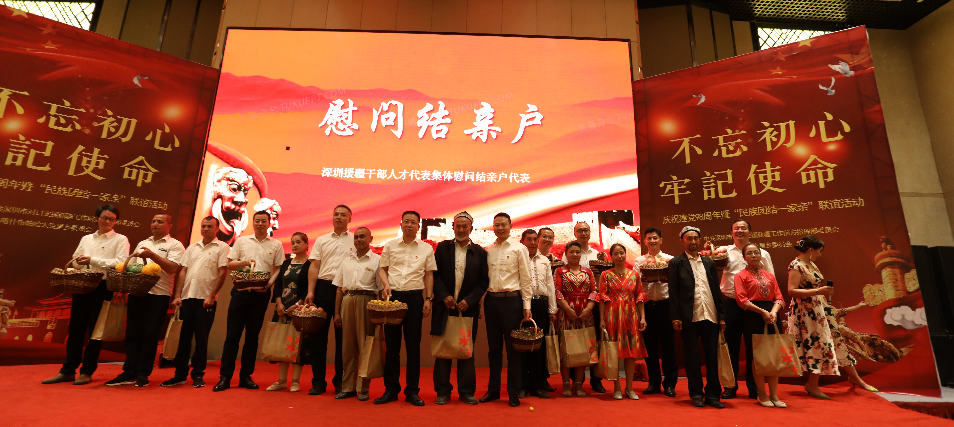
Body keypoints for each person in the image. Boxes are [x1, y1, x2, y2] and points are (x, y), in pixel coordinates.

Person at [43, 205, 129, 386]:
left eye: (112, 219)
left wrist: (92, 260)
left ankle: (87, 371)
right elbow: (75, 261)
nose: (107, 221)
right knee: (75, 329)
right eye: (104, 217)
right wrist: (79, 262)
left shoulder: (121, 239)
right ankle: (67, 370)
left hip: (103, 287)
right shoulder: (86, 238)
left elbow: (121, 263)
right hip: (81, 285)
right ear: (96, 218)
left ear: (115, 221)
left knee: (96, 332)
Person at [787, 235, 877, 399]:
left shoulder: (811, 264)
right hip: (807, 313)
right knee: (818, 345)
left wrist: (822, 293)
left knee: (837, 341)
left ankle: (855, 378)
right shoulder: (796, 265)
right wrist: (818, 291)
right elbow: (792, 291)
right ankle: (812, 384)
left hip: (821, 310)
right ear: (811, 250)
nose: (820, 254)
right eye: (819, 251)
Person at [106, 214, 184, 387]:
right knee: (132, 334)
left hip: (159, 295)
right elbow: (133, 266)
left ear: (169, 225)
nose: (155, 224)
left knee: (150, 335)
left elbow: (173, 268)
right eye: (153, 221)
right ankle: (129, 371)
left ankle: (143, 373)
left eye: (160, 222)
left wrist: (153, 256)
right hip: (137, 292)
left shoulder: (174, 245)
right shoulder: (143, 242)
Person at [214, 210, 284, 392]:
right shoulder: (242, 241)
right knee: (232, 336)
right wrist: (244, 263)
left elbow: (278, 268)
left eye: (263, 221)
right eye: (257, 221)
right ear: (253, 223)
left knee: (252, 337)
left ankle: (246, 376)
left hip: (261, 295)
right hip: (240, 293)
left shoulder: (276, 244)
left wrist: (268, 285)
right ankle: (225, 377)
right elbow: (229, 264)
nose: (260, 224)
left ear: (269, 223)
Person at [375, 211, 437, 406]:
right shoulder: (390, 245)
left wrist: (428, 298)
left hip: (414, 298)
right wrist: (386, 285)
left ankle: (412, 391)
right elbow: (383, 269)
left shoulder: (426, 248)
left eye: (413, 222)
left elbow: (429, 275)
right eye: (406, 222)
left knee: (413, 347)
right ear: (401, 224)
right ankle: (391, 390)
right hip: (393, 299)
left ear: (418, 226)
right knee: (392, 347)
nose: (409, 225)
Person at [161, 216, 230, 388]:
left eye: (210, 226)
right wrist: (177, 295)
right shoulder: (192, 247)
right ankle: (180, 375)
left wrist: (212, 296)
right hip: (186, 298)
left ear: (217, 229)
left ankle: (198, 375)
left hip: (206, 300)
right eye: (203, 226)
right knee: (183, 339)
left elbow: (222, 273)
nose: (206, 229)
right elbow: (183, 272)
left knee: (201, 340)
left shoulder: (223, 247)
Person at [431, 212, 488, 405]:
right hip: (444, 307)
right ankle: (442, 391)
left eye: (465, 226)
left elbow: (483, 282)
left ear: (471, 228)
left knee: (466, 351)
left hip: (467, 309)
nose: (461, 230)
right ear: (453, 228)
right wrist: (444, 295)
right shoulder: (442, 248)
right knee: (443, 350)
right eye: (458, 226)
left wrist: (470, 301)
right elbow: (435, 275)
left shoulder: (480, 253)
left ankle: (466, 391)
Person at [716, 219, 774, 400]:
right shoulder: (724, 252)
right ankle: (730, 386)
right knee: (730, 347)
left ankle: (754, 387)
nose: (740, 231)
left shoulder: (762, 253)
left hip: (755, 307)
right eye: (736, 228)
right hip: (731, 304)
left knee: (754, 348)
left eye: (743, 228)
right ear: (731, 232)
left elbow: (770, 278)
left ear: (750, 231)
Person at [669, 226, 725, 409]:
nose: (693, 241)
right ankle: (696, 394)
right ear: (682, 241)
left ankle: (713, 394)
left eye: (695, 238)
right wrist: (676, 316)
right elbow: (673, 292)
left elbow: (716, 290)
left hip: (710, 314)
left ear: (699, 240)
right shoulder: (676, 263)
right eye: (689, 238)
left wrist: (721, 316)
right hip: (689, 317)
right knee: (692, 357)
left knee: (712, 357)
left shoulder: (708, 262)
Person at [482, 212, 533, 407]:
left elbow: (526, 278)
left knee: (513, 350)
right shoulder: (489, 250)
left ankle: (513, 391)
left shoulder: (519, 248)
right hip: (491, 302)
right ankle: (493, 390)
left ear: (510, 226)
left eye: (503, 224)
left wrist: (526, 305)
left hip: (512, 302)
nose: (500, 228)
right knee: (494, 349)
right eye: (497, 225)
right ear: (493, 227)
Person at [304, 205, 355, 395]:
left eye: (343, 215)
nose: (339, 217)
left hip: (346, 291)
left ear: (350, 219)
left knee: (343, 340)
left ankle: (340, 382)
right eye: (336, 214)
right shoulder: (322, 240)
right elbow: (314, 267)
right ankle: (318, 382)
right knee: (318, 339)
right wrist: (311, 292)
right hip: (323, 289)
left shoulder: (355, 239)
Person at [734, 243, 786, 408]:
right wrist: (762, 312)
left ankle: (774, 395)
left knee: (774, 355)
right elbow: (742, 300)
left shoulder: (769, 275)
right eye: (749, 253)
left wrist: (774, 312)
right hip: (753, 316)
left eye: (756, 252)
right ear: (744, 257)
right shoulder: (740, 276)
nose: (754, 255)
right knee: (758, 357)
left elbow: (779, 298)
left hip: (772, 315)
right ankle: (761, 394)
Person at [333, 227, 381, 401]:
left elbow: (381, 290)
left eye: (362, 237)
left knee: (365, 346)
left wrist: (379, 314)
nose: (359, 240)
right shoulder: (346, 261)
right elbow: (339, 289)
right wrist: (336, 313)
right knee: (347, 348)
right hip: (347, 301)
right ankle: (348, 387)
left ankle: (363, 388)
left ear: (370, 239)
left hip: (367, 301)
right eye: (356, 237)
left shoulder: (377, 261)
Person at [598, 243, 648, 400]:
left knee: (631, 353)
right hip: (612, 316)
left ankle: (629, 388)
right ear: (611, 257)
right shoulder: (606, 274)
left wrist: (643, 317)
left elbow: (639, 297)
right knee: (614, 353)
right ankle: (617, 388)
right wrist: (602, 319)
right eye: (616, 254)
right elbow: (602, 298)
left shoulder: (634, 274)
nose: (619, 256)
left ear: (625, 254)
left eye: (622, 253)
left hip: (631, 316)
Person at [562, 221, 606, 393]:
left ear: (590, 232)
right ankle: (575, 381)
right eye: (580, 230)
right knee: (573, 341)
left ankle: (596, 380)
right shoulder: (566, 255)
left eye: (586, 230)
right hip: (571, 305)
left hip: (593, 303)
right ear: (575, 233)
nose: (583, 233)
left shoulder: (597, 254)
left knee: (592, 341)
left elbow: (601, 281)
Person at [634, 227, 677, 397]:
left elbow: (675, 285)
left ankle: (670, 384)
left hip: (666, 306)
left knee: (668, 348)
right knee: (650, 348)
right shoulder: (639, 261)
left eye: (655, 238)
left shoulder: (670, 260)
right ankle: (653, 383)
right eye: (649, 238)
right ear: (645, 241)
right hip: (647, 307)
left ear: (661, 240)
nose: (652, 241)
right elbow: (636, 285)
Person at [266, 232, 311, 393]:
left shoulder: (310, 264)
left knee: (298, 345)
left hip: (299, 310)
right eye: (293, 242)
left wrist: (297, 305)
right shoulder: (286, 263)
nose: (295, 245)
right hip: (282, 310)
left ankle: (296, 382)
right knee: (282, 343)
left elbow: (308, 288)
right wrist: (279, 303)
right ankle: (282, 381)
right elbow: (278, 285)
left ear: (307, 244)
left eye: (299, 242)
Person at [555, 241, 598, 398]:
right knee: (566, 349)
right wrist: (567, 309)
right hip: (566, 314)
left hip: (586, 315)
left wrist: (588, 309)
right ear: (566, 254)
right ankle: (566, 383)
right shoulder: (560, 271)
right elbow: (557, 292)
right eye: (571, 252)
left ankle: (578, 384)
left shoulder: (588, 271)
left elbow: (594, 291)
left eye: (577, 252)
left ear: (581, 254)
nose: (575, 254)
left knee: (584, 349)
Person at [519, 228, 557, 399]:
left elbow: (550, 285)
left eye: (535, 239)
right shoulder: (518, 258)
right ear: (523, 242)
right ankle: (522, 385)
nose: (533, 243)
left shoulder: (545, 261)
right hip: (522, 305)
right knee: (523, 346)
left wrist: (552, 309)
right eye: (529, 239)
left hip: (541, 304)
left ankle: (538, 384)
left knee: (539, 346)